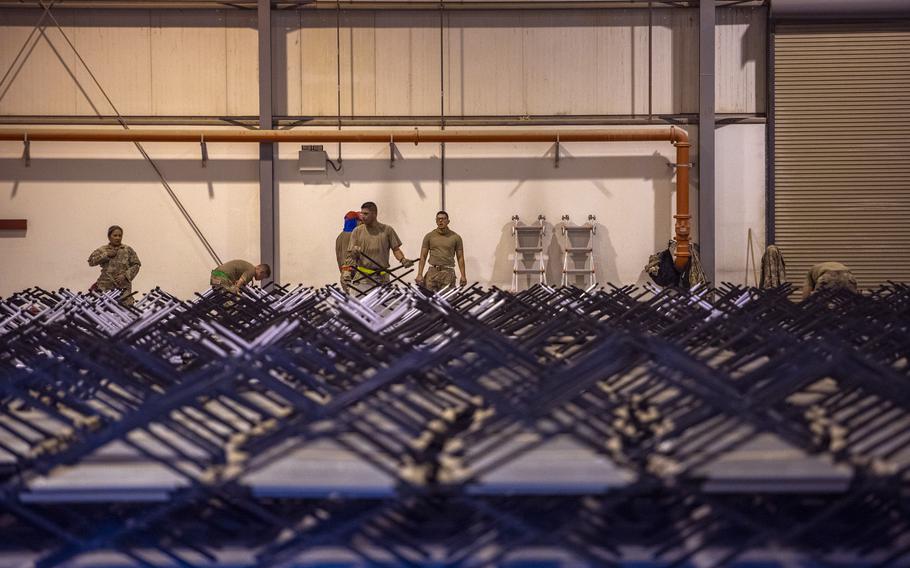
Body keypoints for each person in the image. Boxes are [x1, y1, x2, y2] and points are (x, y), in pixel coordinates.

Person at [344, 201, 413, 290]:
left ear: (374, 214)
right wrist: (347, 270)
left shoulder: (387, 230)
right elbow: (351, 255)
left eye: (366, 214)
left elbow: (396, 249)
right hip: (363, 278)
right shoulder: (357, 231)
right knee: (362, 303)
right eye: (362, 214)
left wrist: (403, 260)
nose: (362, 217)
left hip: (382, 278)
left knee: (383, 303)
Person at [87, 225, 141, 306]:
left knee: (124, 311)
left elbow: (136, 264)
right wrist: (106, 255)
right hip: (105, 288)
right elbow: (91, 261)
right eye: (115, 235)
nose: (117, 238)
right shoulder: (103, 249)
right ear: (109, 237)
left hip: (123, 288)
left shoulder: (127, 249)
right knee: (103, 311)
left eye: (120, 235)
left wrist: (125, 275)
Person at [416, 211, 467, 292]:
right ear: (436, 221)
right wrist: (419, 274)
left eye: (443, 219)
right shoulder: (429, 236)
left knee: (447, 301)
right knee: (429, 301)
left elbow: (460, 257)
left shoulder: (456, 237)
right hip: (432, 273)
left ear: (448, 221)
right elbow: (423, 256)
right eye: (438, 219)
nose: (440, 221)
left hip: (448, 273)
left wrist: (463, 275)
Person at [336, 211, 362, 293]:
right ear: (356, 221)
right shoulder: (356, 236)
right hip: (356, 276)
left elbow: (339, 257)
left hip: (344, 274)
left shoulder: (339, 237)